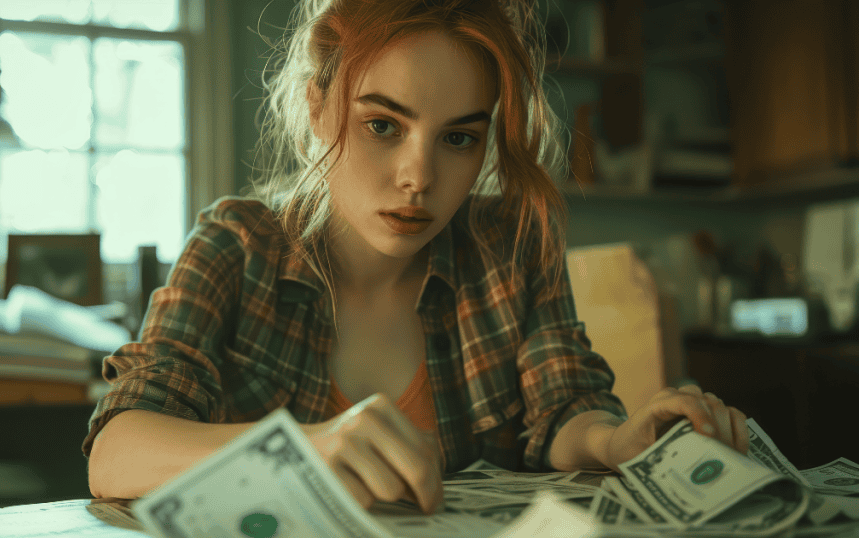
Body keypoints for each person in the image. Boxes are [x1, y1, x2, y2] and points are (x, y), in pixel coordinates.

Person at [85, 0, 748, 516]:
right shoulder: (235, 245)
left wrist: (616, 440)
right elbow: (116, 451)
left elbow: (564, 407)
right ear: (318, 106)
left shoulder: (513, 242)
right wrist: (308, 448)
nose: (418, 176)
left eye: (458, 138)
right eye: (383, 125)